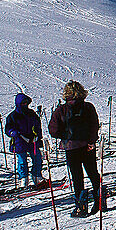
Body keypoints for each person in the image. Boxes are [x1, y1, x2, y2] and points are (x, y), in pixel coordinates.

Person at [48, 81, 103, 216]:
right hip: (87, 145)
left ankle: (81, 207)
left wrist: (64, 135)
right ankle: (100, 201)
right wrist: (91, 141)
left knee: (77, 176)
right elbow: (95, 125)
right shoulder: (88, 107)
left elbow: (53, 130)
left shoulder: (61, 109)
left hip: (71, 146)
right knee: (93, 173)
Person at [5, 93, 47, 187]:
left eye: (26, 103)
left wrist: (38, 136)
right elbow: (8, 129)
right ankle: (23, 178)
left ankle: (36, 176)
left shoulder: (31, 113)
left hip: (32, 140)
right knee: (22, 161)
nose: (24, 105)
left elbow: (37, 125)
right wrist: (13, 132)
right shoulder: (13, 116)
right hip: (20, 140)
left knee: (37, 159)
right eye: (22, 103)